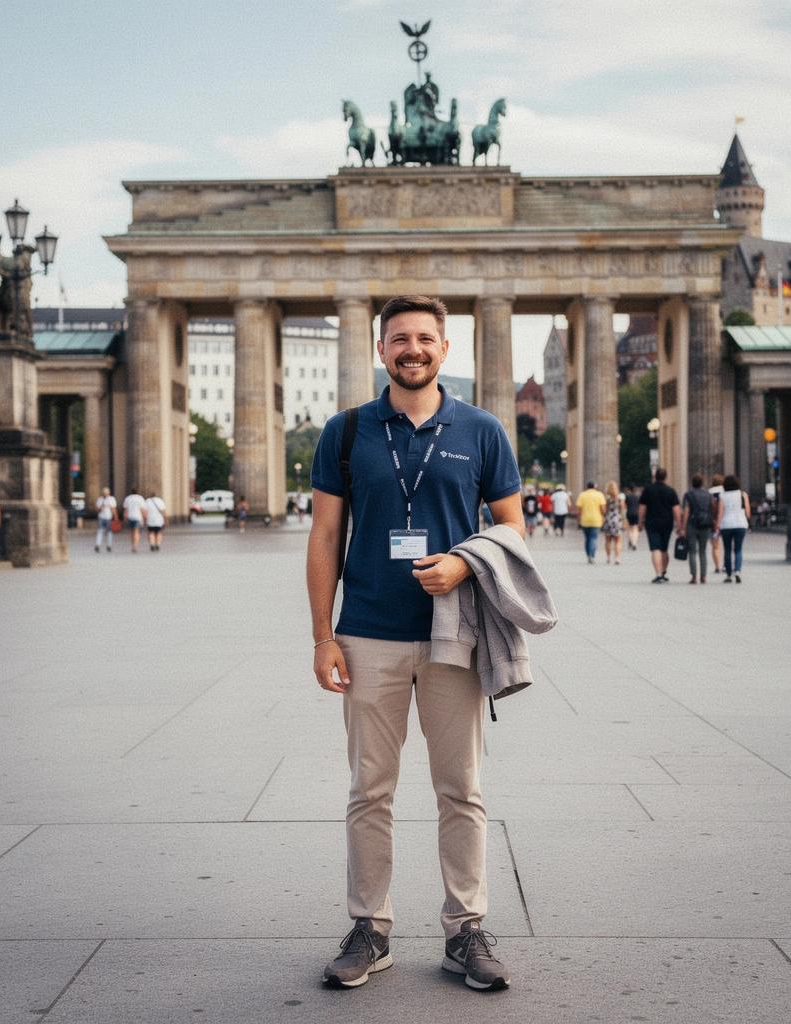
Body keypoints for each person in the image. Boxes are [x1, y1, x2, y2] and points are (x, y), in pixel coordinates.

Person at [307, 295, 523, 992]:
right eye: (400, 339)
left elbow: (513, 529)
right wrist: (322, 636)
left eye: (425, 339)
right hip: (368, 632)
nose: (413, 349)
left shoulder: (483, 430)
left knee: (461, 786)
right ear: (381, 350)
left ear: (444, 350)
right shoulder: (346, 433)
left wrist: (463, 563)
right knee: (370, 787)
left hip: (453, 634)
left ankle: (467, 929)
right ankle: (370, 926)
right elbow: (324, 537)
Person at [638, 467, 680, 583]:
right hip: (667, 523)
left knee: (655, 548)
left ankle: (658, 574)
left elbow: (642, 507)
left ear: (655, 476)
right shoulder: (670, 491)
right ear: (665, 477)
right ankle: (663, 572)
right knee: (664, 549)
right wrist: (680, 526)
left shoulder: (648, 490)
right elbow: (676, 509)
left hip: (652, 522)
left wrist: (640, 522)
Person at [716, 474, 750, 583]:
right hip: (740, 524)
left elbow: (720, 513)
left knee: (727, 549)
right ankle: (738, 571)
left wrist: (717, 525)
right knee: (738, 549)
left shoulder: (723, 495)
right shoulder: (742, 494)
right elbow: (748, 512)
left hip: (726, 525)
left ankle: (728, 574)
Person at [680, 473, 713, 584]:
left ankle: (694, 576)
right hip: (705, 524)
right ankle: (703, 576)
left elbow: (686, 511)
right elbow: (712, 508)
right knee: (703, 551)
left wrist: (683, 527)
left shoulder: (688, 495)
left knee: (692, 552)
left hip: (692, 525)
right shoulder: (708, 495)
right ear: (702, 483)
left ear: (692, 483)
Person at [575, 480, 606, 563]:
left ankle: (588, 554)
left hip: (585, 520)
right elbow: (603, 509)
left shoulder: (582, 495)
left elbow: (579, 510)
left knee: (587, 538)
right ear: (595, 486)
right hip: (596, 520)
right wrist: (603, 515)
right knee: (593, 538)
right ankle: (592, 555)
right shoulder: (600, 495)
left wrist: (578, 520)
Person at [602, 480, 624, 565]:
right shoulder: (619, 498)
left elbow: (604, 511)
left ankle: (608, 558)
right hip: (617, 520)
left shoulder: (606, 498)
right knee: (618, 541)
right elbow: (622, 509)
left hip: (608, 520)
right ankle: (617, 558)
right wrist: (624, 520)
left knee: (607, 541)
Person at [708, 473, 725, 574]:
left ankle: (717, 566)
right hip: (725, 521)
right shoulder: (726, 491)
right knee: (727, 546)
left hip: (712, 522)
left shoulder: (709, 492)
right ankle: (726, 565)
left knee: (715, 546)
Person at [122, 487, 147, 553]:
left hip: (130, 517)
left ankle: (133, 545)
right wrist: (145, 518)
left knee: (132, 532)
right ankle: (135, 546)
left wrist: (125, 518)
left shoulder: (127, 498)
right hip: (138, 517)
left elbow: (125, 510)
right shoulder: (140, 498)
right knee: (136, 532)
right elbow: (142, 510)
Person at [95, 487, 117, 552]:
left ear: (108, 493)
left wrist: (115, 517)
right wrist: (101, 506)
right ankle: (98, 545)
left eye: (106, 493)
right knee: (100, 531)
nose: (105, 494)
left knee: (109, 532)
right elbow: (96, 509)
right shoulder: (100, 499)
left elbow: (113, 508)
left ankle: (109, 545)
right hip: (101, 516)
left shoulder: (112, 499)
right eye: (104, 493)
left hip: (108, 517)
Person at [624, 484, 641, 550]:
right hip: (636, 513)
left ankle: (631, 541)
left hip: (629, 513)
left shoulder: (627, 496)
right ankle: (634, 543)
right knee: (635, 529)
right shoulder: (638, 497)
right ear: (635, 490)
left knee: (630, 529)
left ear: (629, 490)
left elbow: (625, 505)